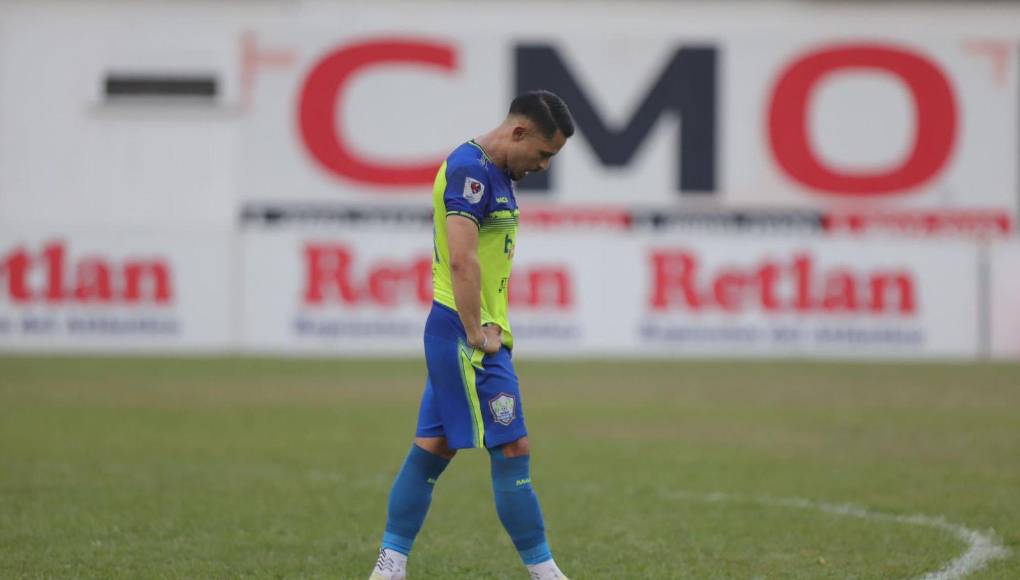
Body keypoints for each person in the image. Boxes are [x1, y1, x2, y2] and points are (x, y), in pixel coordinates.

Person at [369, 90, 575, 580]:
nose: (544, 165)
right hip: (468, 336)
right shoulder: (470, 170)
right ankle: (546, 574)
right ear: (519, 132)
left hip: (468, 333)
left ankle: (388, 567)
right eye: (544, 154)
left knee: (432, 448)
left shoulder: (498, 171)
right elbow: (461, 259)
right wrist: (475, 332)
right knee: (513, 448)